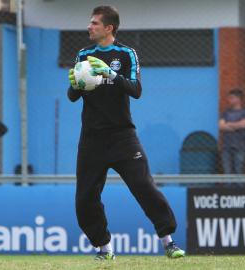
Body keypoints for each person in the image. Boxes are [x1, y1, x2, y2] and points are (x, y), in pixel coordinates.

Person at [67, 6, 184, 260]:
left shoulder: (127, 53)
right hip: (91, 139)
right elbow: (73, 96)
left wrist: (110, 73)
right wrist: (75, 84)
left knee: (144, 187)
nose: (89, 26)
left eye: (95, 23)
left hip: (122, 137)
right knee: (85, 198)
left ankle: (169, 242)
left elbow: (136, 89)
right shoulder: (83, 54)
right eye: (90, 22)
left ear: (109, 28)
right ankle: (104, 249)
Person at [219, 89, 245, 174]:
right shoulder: (225, 112)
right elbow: (221, 126)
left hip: (239, 145)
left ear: (238, 99)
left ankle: (239, 187)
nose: (229, 100)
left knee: (238, 170)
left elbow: (243, 124)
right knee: (227, 171)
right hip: (226, 145)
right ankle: (228, 187)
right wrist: (236, 126)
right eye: (229, 97)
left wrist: (228, 124)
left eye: (231, 98)